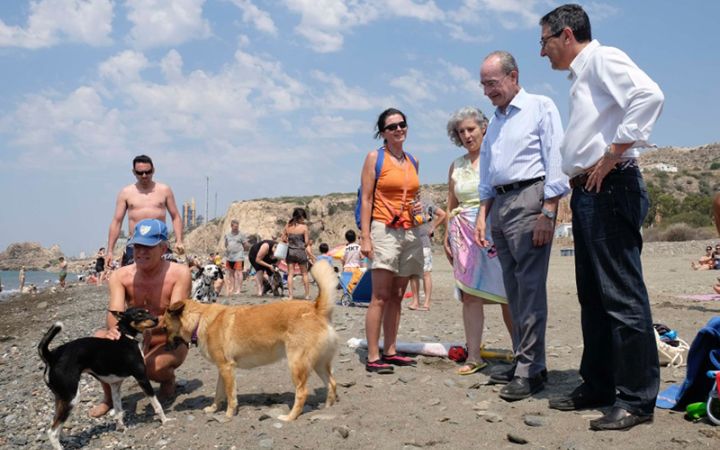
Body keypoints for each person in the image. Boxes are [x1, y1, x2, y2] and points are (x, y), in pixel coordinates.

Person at [540, 4, 664, 430]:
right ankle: (599, 383)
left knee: (622, 297)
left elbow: (650, 95)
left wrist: (613, 154)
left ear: (567, 34)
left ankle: (635, 400)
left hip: (610, 187)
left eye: (545, 41)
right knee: (593, 298)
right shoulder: (583, 76)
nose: (543, 52)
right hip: (590, 192)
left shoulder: (603, 59)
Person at [474, 51, 568, 401]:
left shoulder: (540, 107)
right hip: (500, 204)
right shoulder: (496, 121)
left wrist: (548, 211)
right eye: (483, 85)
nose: (487, 91)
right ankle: (524, 361)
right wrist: (484, 214)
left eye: (492, 83)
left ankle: (531, 370)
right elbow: (488, 171)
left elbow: (555, 159)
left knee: (529, 290)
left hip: (531, 198)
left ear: (513, 76)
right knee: (512, 291)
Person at [90, 218, 192, 418]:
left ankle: (168, 380)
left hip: (169, 339)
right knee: (98, 342)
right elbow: (114, 313)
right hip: (135, 337)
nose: (141, 252)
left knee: (152, 367)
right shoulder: (121, 276)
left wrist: (148, 331)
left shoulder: (180, 273)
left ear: (163, 248)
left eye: (148, 247)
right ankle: (109, 398)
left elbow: (174, 318)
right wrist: (114, 332)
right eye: (137, 246)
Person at [444, 107, 514, 375]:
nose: (466, 135)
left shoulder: (497, 157)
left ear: (484, 128)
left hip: (493, 230)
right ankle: (474, 355)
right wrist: (447, 237)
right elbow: (451, 203)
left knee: (508, 294)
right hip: (462, 234)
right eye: (461, 131)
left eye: (471, 129)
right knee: (470, 296)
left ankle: (521, 353)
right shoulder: (456, 165)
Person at [359, 107, 424, 374]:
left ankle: (392, 349)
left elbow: (413, 198)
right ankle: (373, 355)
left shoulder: (413, 160)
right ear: (383, 132)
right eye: (392, 126)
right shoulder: (375, 158)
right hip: (383, 229)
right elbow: (366, 198)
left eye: (402, 124)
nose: (399, 129)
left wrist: (419, 213)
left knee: (398, 295)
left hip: (409, 231)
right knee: (380, 295)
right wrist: (365, 236)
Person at [107, 155, 184, 266]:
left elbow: (175, 216)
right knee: (131, 278)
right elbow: (117, 222)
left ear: (153, 170)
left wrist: (179, 240)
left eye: (148, 172)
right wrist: (110, 251)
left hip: (159, 241)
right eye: (140, 173)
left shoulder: (164, 190)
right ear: (134, 172)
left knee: (166, 278)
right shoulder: (126, 193)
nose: (144, 176)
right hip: (135, 242)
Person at [407, 205, 447, 311]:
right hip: (411, 243)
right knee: (413, 274)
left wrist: (433, 227)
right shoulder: (407, 204)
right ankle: (416, 302)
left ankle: (426, 303)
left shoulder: (426, 205)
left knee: (426, 273)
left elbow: (443, 214)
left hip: (424, 243)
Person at [282, 208, 311, 300]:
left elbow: (283, 238)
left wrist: (290, 241)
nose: (303, 219)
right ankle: (307, 295)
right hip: (301, 252)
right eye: (302, 217)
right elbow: (306, 242)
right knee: (305, 274)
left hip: (290, 252)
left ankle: (290, 296)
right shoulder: (304, 227)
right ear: (299, 217)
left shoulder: (288, 226)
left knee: (290, 274)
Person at [223, 219, 247, 295]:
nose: (236, 228)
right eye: (235, 227)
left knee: (239, 273)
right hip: (229, 257)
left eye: (237, 226)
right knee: (230, 273)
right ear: (231, 226)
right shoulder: (227, 235)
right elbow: (226, 244)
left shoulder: (241, 235)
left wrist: (242, 251)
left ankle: (238, 289)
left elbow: (245, 245)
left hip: (239, 256)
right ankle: (232, 288)